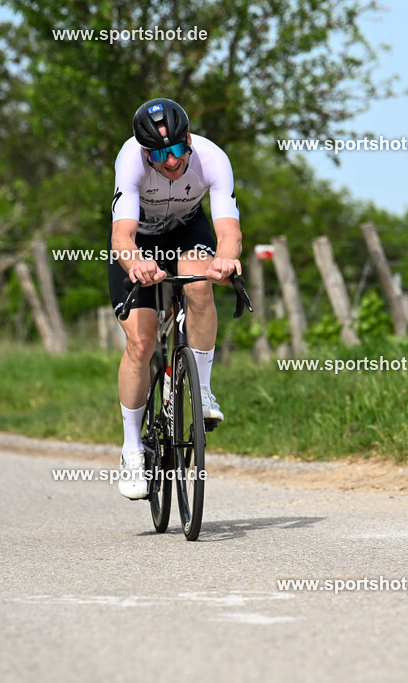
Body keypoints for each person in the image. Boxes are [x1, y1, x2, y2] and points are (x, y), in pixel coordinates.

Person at [107, 98, 242, 499]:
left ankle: (201, 390)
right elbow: (122, 238)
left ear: (188, 140)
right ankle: (132, 449)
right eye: (159, 154)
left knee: (200, 284)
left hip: (187, 229)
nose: (170, 161)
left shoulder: (213, 158)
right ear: (146, 151)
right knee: (142, 342)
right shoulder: (130, 159)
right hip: (142, 239)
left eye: (178, 149)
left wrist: (225, 261)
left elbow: (230, 232)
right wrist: (135, 264)